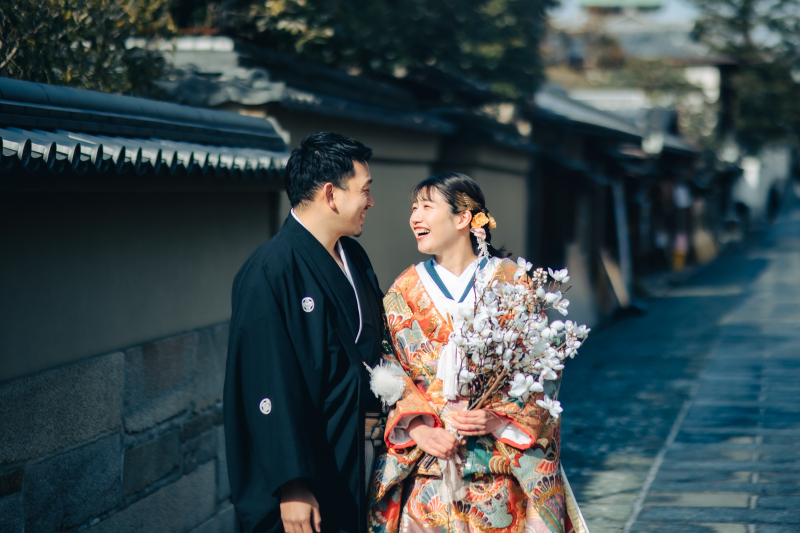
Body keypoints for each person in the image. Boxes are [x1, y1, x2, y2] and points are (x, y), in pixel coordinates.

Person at [368, 172, 586, 533]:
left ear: (463, 218)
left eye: (426, 206)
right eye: (413, 208)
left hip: (499, 472)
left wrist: (496, 418)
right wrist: (420, 428)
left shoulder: (513, 282)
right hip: (429, 468)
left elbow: (541, 370)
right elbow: (391, 364)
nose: (415, 218)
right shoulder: (404, 288)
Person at [224, 132, 385, 533]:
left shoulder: (354, 256)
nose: (371, 202)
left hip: (352, 453)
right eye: (365, 191)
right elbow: (266, 384)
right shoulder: (271, 270)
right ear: (331, 195)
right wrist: (291, 484)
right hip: (304, 471)